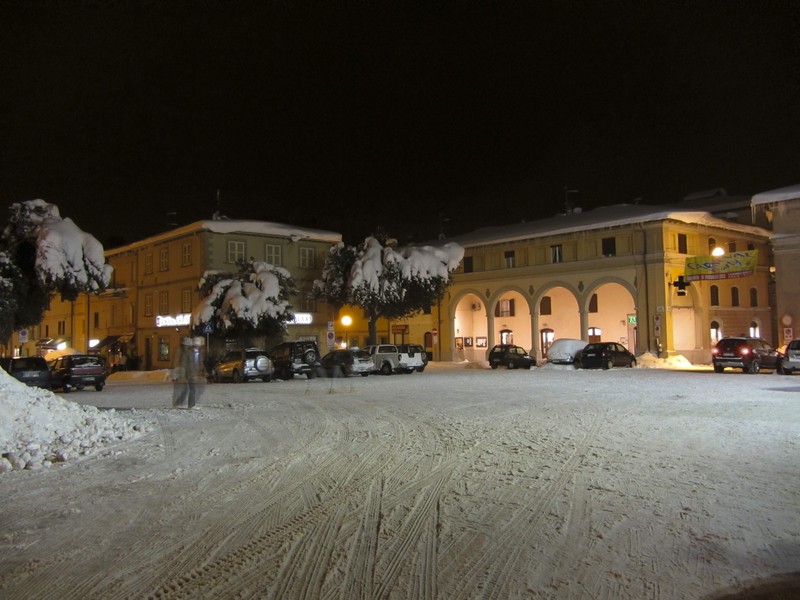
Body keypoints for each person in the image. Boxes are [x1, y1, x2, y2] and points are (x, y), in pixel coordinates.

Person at [172, 337, 201, 408]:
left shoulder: (187, 352)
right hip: (189, 374)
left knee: (186, 389)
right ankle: (191, 405)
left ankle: (178, 403)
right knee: (192, 389)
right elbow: (188, 364)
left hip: (188, 373)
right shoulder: (188, 353)